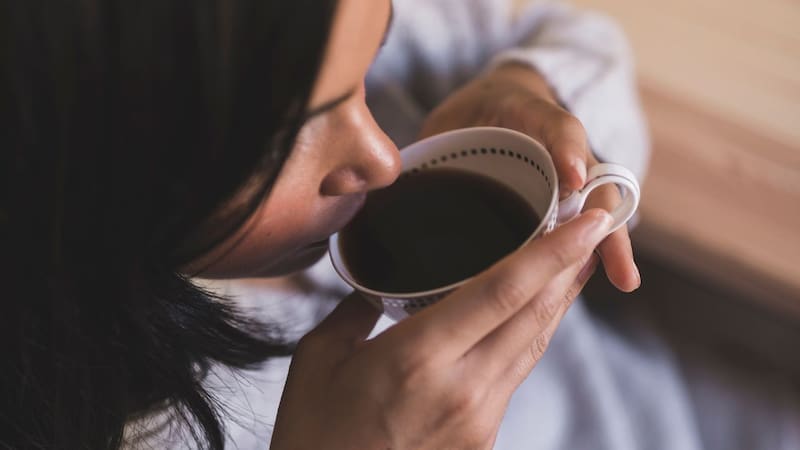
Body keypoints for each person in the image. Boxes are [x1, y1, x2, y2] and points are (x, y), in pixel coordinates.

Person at [3, 0, 646, 448]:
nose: (383, 159)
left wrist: (522, 84)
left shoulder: (324, 27)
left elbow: (579, 36)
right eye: (279, 141)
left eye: (367, 70)